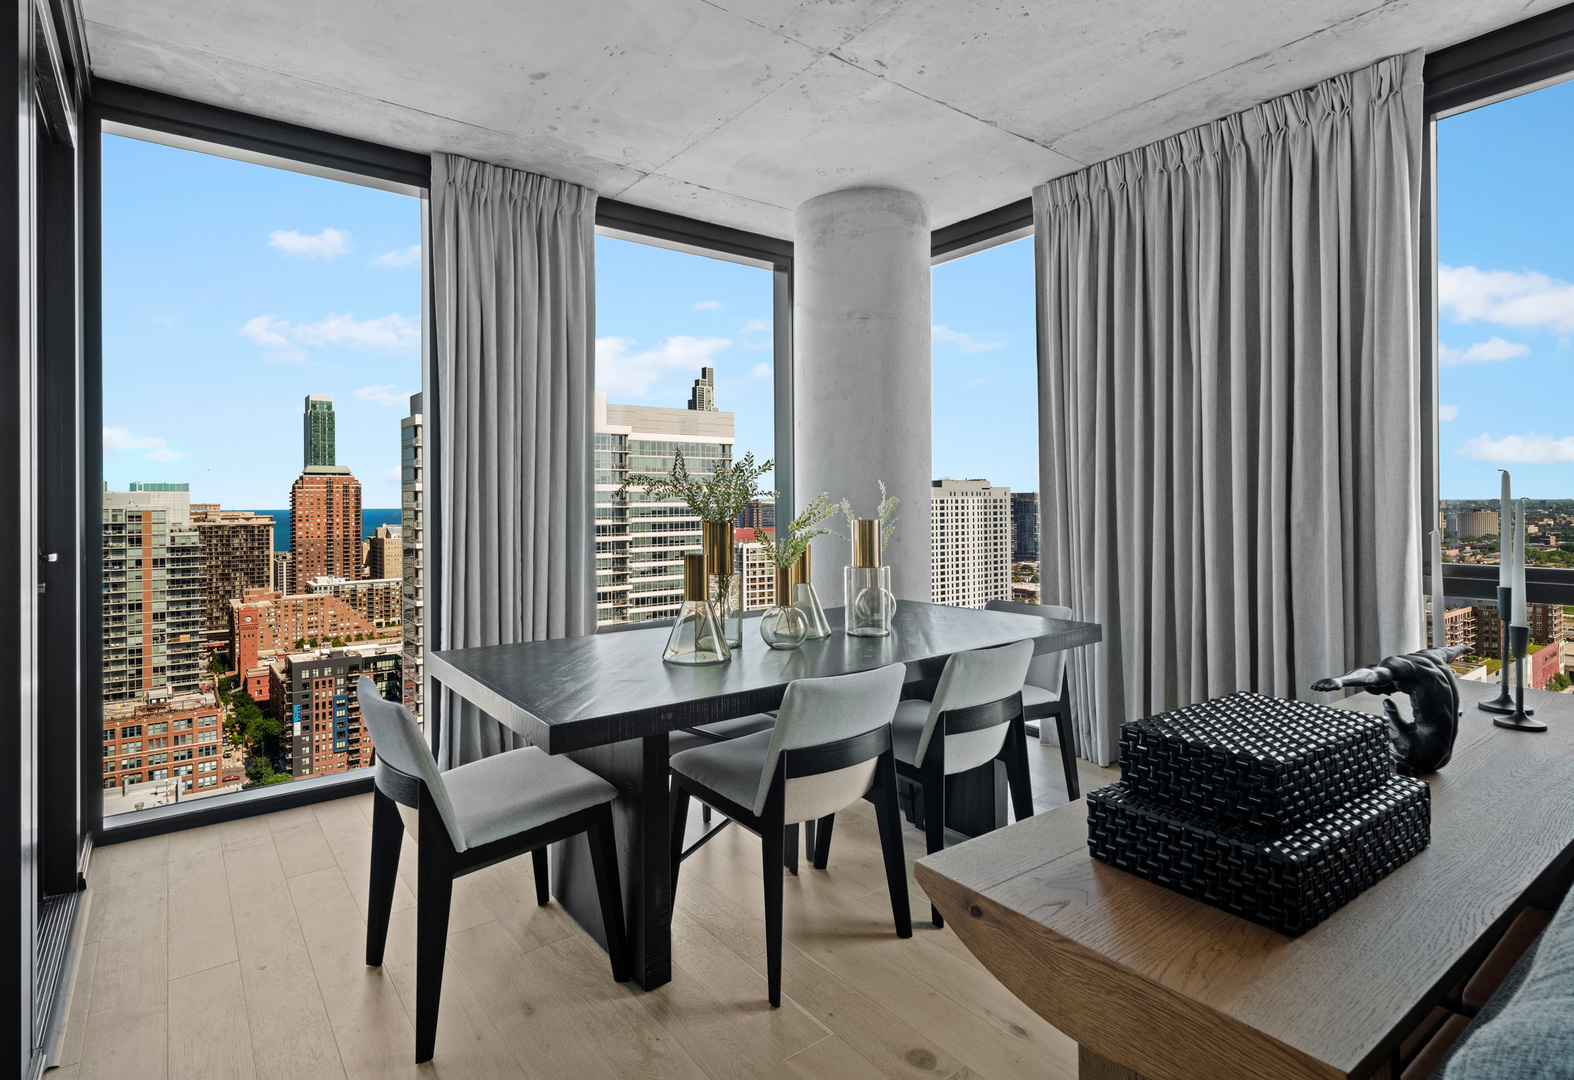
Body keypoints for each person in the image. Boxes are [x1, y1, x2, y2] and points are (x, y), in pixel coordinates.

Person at [1311, 645, 1472, 775]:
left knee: (1387, 711)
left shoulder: (1395, 668)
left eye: (1385, 689)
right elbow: (1450, 651)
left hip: (1423, 755)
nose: (1390, 692)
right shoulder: (1431, 656)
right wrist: (1463, 647)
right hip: (1445, 754)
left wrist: (1340, 680)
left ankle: (1395, 761)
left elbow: (1371, 675)